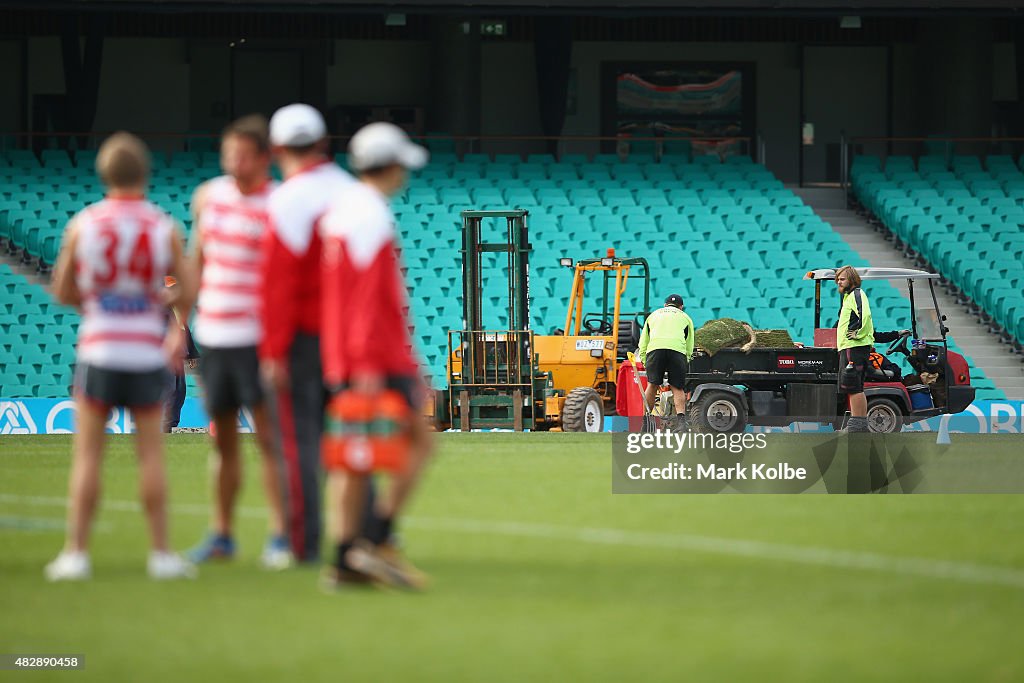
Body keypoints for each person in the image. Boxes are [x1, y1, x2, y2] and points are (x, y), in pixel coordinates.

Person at [45, 132, 197, 581]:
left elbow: (61, 288)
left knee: (88, 456)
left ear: (103, 174)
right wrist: (151, 303)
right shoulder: (161, 226)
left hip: (99, 348)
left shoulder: (85, 224)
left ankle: (75, 554)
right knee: (151, 455)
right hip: (145, 353)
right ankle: (162, 554)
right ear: (144, 175)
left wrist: (97, 305)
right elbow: (187, 285)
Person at [319, 122, 433, 589]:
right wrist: (370, 360)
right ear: (390, 166)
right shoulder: (370, 214)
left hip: (345, 353)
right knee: (420, 443)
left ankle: (348, 556)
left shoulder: (342, 211)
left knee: (351, 459)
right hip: (374, 356)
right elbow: (367, 295)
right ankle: (377, 537)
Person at [186, 115, 292, 569]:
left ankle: (281, 536)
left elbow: (287, 281)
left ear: (264, 158)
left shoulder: (279, 205)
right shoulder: (209, 198)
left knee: (268, 440)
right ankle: (222, 535)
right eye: (228, 153)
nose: (233, 162)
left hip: (258, 339)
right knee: (222, 440)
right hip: (214, 336)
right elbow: (196, 261)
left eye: (242, 154)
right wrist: (179, 325)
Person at [260, 103, 356, 563]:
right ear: (322, 143)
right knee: (354, 440)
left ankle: (303, 544)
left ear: (277, 148)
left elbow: (277, 284)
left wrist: (273, 350)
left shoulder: (283, 199)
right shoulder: (352, 191)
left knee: (299, 445)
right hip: (350, 337)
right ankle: (364, 535)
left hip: (303, 340)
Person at [637, 294, 695, 434]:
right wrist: (685, 359)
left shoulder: (653, 315)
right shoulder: (685, 317)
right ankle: (681, 423)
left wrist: (645, 360)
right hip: (677, 351)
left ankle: (645, 423)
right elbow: (689, 344)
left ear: (665, 305)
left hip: (655, 349)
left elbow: (643, 342)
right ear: (681, 307)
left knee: (652, 385)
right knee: (677, 387)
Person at [835, 265, 875, 433]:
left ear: (852, 279)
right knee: (855, 386)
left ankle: (857, 425)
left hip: (855, 347)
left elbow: (864, 315)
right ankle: (859, 425)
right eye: (837, 279)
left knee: (854, 386)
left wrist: (857, 333)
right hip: (850, 347)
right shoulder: (848, 297)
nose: (838, 281)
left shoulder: (857, 294)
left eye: (842, 279)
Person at [162, 276, 200, 433]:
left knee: (180, 390)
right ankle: (165, 425)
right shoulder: (160, 309)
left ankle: (172, 423)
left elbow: (185, 331)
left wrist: (192, 354)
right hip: (166, 354)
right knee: (170, 390)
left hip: (179, 354)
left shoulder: (177, 310)